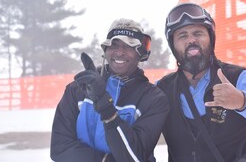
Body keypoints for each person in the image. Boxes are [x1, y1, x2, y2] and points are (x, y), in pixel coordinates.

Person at [156, 2, 246, 162]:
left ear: (211, 38)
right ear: (173, 45)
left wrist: (242, 101)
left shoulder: (236, 76)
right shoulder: (162, 89)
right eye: (183, 36)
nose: (191, 40)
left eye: (198, 33)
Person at [50, 18, 169, 162]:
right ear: (105, 51)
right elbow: (59, 148)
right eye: (114, 45)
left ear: (140, 54)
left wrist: (106, 108)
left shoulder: (153, 99)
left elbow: (135, 157)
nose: (119, 52)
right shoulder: (78, 88)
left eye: (129, 46)